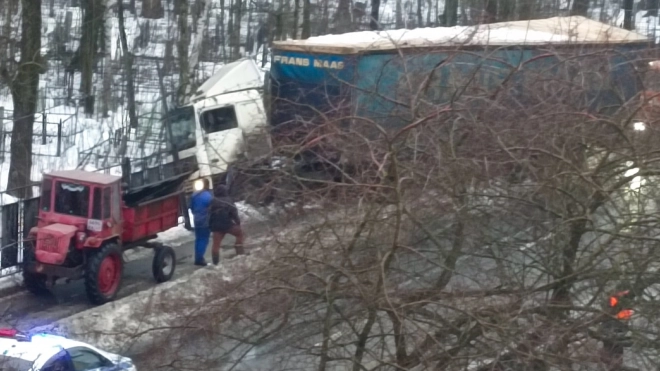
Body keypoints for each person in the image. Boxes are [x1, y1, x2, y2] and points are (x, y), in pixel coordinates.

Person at [209, 184, 247, 265]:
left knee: (216, 245)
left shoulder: (212, 201)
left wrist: (210, 226)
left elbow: (208, 214)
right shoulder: (228, 200)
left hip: (216, 227)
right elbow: (234, 213)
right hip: (227, 225)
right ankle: (239, 251)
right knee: (240, 234)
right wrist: (238, 223)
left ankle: (215, 263)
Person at [190, 179, 213, 266]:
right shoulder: (208, 197)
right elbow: (211, 209)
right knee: (203, 239)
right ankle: (199, 259)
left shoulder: (194, 195)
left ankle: (198, 257)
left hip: (196, 220)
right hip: (205, 221)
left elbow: (191, 207)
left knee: (198, 239)